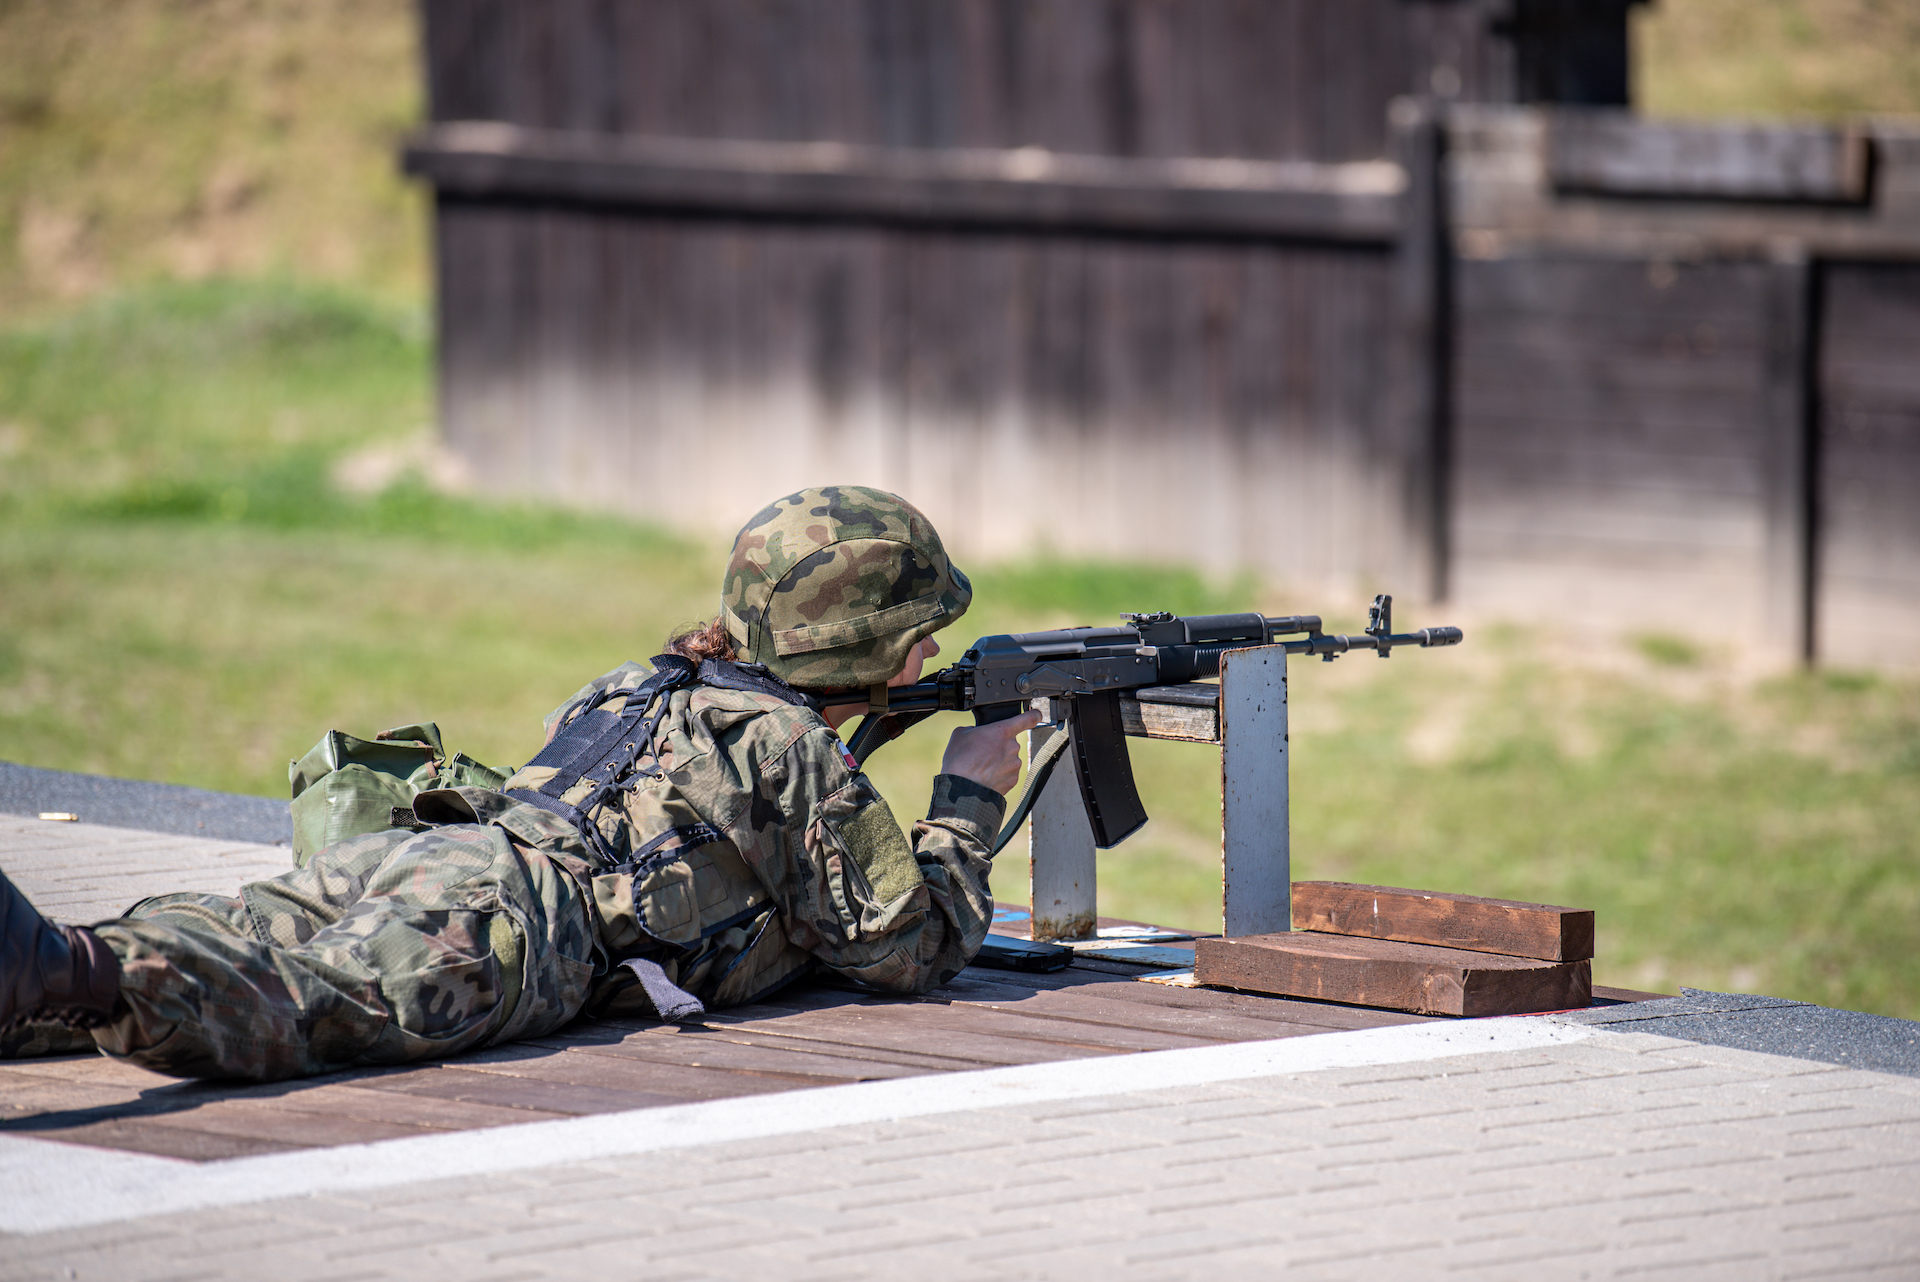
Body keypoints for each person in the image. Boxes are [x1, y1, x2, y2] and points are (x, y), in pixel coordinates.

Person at [0, 486, 1038, 1081]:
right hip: (514, 927)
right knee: (298, 1004)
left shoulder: (657, 676)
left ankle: (35, 974)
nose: (926, 657)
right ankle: (62, 969)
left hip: (437, 850)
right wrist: (969, 797)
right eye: (914, 639)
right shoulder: (790, 748)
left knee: (227, 925)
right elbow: (909, 950)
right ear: (854, 645)